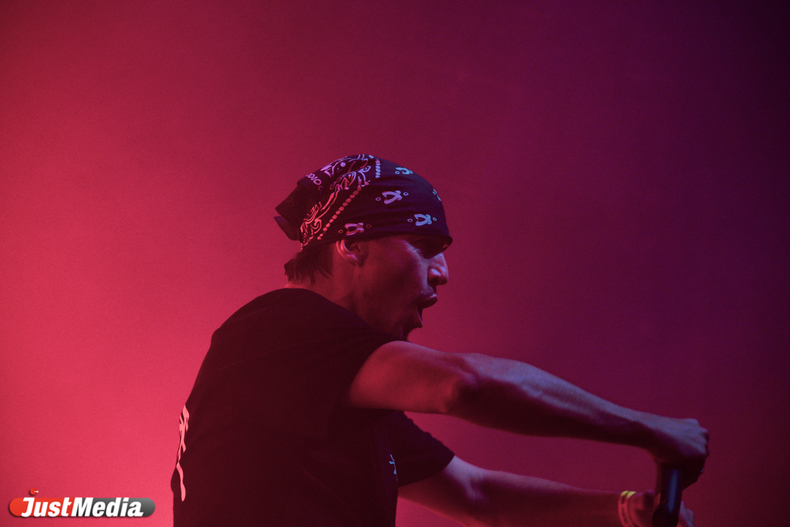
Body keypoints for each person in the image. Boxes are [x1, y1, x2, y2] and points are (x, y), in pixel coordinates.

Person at [171, 154, 708, 527]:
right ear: (352, 245)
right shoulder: (280, 329)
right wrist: (651, 430)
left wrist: (624, 510)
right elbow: (463, 386)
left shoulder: (329, 385)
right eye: (424, 246)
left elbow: (478, 497)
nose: (443, 272)